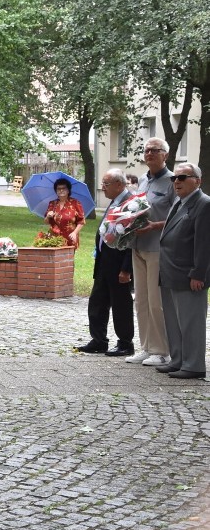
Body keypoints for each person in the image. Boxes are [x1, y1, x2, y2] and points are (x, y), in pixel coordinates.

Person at [154, 163, 210, 380]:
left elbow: (204, 244)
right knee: (174, 322)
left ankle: (194, 364)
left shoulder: (204, 204)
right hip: (170, 272)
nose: (176, 181)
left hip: (189, 275)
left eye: (182, 177)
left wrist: (199, 274)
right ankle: (178, 359)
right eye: (174, 178)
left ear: (197, 180)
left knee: (191, 322)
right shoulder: (179, 202)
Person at [125, 138, 175, 366]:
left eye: (155, 150)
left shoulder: (173, 181)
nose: (149, 154)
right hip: (138, 246)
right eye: (146, 150)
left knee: (157, 301)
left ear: (165, 154)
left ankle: (161, 350)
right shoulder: (143, 180)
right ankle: (145, 346)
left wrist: (155, 226)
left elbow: (180, 218)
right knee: (141, 300)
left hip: (158, 248)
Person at [75, 169, 134, 357]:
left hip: (119, 262)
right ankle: (99, 340)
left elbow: (131, 239)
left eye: (106, 184)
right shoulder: (114, 202)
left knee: (121, 304)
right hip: (104, 261)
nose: (103, 188)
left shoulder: (130, 204)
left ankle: (125, 343)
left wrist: (126, 269)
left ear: (119, 184)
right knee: (97, 302)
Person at [44, 177, 86, 249]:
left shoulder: (75, 203)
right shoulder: (52, 204)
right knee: (55, 259)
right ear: (56, 191)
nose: (61, 190)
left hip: (70, 237)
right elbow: (46, 222)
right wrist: (48, 216)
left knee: (68, 259)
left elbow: (81, 221)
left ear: (68, 190)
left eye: (64, 188)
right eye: (58, 189)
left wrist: (75, 233)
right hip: (54, 238)